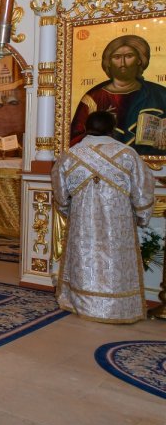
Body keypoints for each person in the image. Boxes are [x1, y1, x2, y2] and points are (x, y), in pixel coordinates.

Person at [52, 111, 155, 323]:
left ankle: (80, 301)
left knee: (84, 259)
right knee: (116, 262)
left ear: (86, 128)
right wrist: (142, 216)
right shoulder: (127, 154)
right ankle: (116, 307)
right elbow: (143, 191)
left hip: (83, 223)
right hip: (118, 223)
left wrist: (67, 210)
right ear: (112, 128)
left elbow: (61, 196)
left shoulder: (70, 155)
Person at [69, 34, 166, 155]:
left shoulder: (160, 94)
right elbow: (75, 138)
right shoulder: (94, 97)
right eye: (117, 57)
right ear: (108, 62)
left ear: (140, 60)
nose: (123, 63)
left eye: (129, 56)